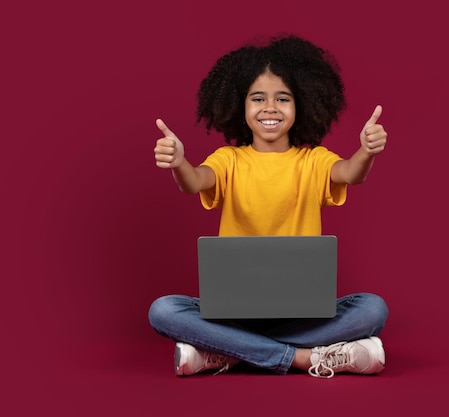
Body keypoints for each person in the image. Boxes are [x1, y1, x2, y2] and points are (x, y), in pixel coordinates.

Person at [148, 34, 389, 378]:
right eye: (257, 98)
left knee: (372, 309)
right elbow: (195, 181)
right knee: (163, 310)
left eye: (283, 98)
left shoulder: (313, 161)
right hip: (232, 313)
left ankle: (229, 351)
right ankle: (302, 358)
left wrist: (366, 151)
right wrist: (178, 163)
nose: (270, 107)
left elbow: (351, 172)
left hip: (303, 315)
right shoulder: (228, 160)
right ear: (240, 107)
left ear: (301, 105)